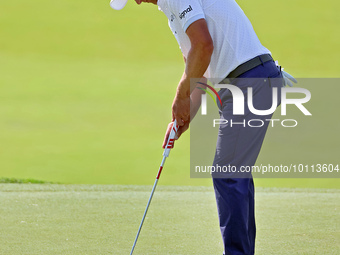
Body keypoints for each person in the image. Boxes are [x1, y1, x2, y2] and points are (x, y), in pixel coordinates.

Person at [135, 0, 289, 254]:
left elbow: (204, 46)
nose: (137, 1)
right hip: (245, 83)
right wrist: (182, 119)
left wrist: (180, 95)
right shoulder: (170, 9)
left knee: (227, 173)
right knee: (233, 173)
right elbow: (199, 70)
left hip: (250, 81)